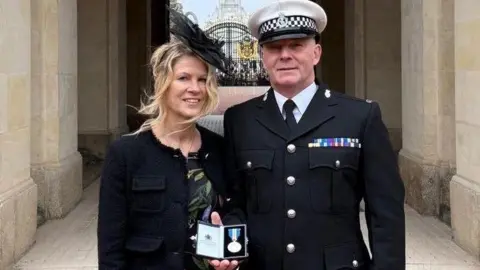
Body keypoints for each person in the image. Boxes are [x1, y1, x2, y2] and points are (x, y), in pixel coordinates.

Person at [209, 0, 406, 270]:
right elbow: (236, 201)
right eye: (275, 47)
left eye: (296, 45)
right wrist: (230, 242)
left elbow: (386, 215)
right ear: (262, 56)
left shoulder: (359, 116)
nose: (285, 55)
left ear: (316, 53)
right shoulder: (240, 120)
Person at [97, 7, 231, 270]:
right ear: (163, 83)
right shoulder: (126, 153)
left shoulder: (219, 148)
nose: (195, 88)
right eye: (184, 78)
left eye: (202, 79)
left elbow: (233, 213)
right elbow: (110, 247)